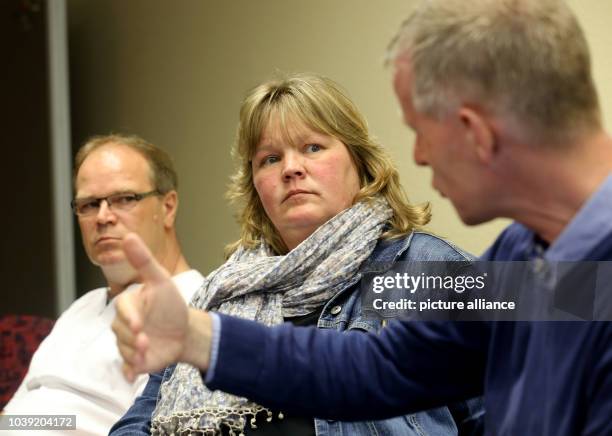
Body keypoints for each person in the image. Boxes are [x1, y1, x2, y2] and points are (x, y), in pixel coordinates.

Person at [113, 0, 612, 434]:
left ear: (475, 133)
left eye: (419, 129)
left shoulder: (439, 270)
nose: (416, 155)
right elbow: (377, 368)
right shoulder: (526, 260)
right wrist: (194, 335)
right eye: (270, 158)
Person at [111, 74, 480, 435]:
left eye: (312, 148)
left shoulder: (433, 269)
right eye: (270, 159)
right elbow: (141, 419)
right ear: (254, 186)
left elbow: (509, 411)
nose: (291, 169)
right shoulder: (223, 290)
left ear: (361, 162)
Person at [3, 135, 204, 435]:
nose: (103, 217)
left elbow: (147, 425)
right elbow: (15, 414)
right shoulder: (82, 307)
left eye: (124, 199)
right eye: (89, 204)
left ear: (168, 206)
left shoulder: (193, 304)